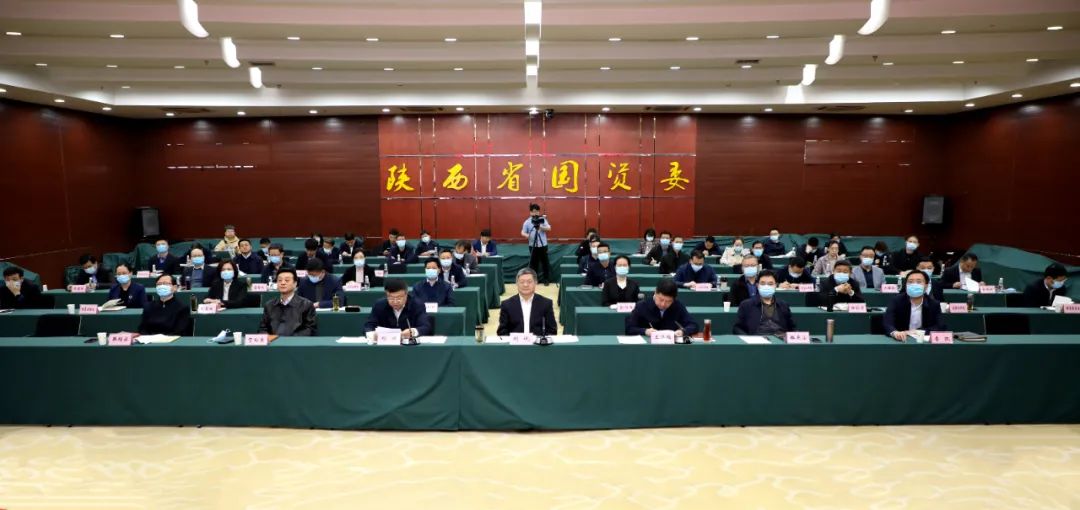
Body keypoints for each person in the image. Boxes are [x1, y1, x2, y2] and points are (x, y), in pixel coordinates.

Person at [883, 270, 946, 341]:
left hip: (922, 340)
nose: (914, 285)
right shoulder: (896, 301)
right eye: (910, 282)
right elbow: (887, 322)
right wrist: (895, 333)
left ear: (926, 286)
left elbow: (940, 326)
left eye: (919, 282)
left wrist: (917, 331)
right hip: (902, 340)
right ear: (906, 285)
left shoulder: (933, 304)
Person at [625, 278, 699, 337]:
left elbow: (694, 325)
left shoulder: (678, 305)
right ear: (655, 292)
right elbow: (629, 328)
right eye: (661, 299)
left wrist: (683, 331)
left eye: (668, 301)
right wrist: (645, 331)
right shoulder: (641, 306)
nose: (663, 304)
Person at [733, 270, 797, 335]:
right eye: (763, 284)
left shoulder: (783, 305)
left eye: (770, 284)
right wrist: (748, 339)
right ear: (757, 285)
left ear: (775, 285)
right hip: (756, 339)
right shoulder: (746, 305)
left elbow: (792, 328)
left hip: (779, 339)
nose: (766, 286)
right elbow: (737, 328)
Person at [497, 268, 557, 336]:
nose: (525, 285)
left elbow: (552, 331)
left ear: (535, 283)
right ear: (517, 283)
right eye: (522, 282)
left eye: (529, 282)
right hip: (515, 342)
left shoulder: (546, 303)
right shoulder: (507, 304)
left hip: (538, 342)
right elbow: (502, 331)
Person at [365, 278, 432, 338]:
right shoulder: (379, 305)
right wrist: (372, 334)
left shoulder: (417, 305)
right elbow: (369, 325)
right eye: (391, 298)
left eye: (399, 298)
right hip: (385, 343)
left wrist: (413, 332)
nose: (395, 301)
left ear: (406, 294)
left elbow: (425, 326)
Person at [259, 268, 317, 336]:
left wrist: (289, 339)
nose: (283, 283)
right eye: (279, 280)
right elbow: (263, 328)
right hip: (273, 341)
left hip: (296, 342)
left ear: (295, 284)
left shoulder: (306, 305)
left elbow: (310, 329)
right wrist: (269, 337)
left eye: (287, 280)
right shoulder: (269, 305)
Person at [522, 203, 553, 285]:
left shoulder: (542, 220)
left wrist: (541, 227)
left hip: (543, 245)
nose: (535, 213)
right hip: (532, 245)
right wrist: (527, 235)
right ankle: (534, 280)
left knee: (545, 263)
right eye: (534, 211)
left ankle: (546, 279)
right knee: (533, 264)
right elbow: (523, 232)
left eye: (537, 211)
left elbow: (549, 228)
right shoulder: (527, 222)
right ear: (530, 212)